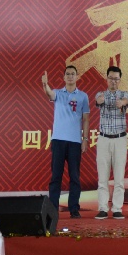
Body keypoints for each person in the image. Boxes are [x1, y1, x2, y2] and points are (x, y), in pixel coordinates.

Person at [41, 66, 90, 218]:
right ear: (64, 77)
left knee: (74, 177)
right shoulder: (58, 93)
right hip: (58, 140)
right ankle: (53, 209)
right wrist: (45, 85)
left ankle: (74, 208)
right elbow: (49, 93)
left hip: (75, 142)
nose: (70, 76)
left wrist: (85, 139)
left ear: (77, 77)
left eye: (73, 74)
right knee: (56, 176)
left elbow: (86, 119)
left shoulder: (83, 96)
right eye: (67, 74)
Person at [94, 66, 128, 220]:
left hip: (120, 139)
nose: (113, 81)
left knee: (119, 177)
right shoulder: (100, 94)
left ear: (120, 80)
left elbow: (126, 101)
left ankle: (117, 208)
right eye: (111, 78)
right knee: (102, 177)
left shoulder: (124, 94)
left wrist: (122, 102)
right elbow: (98, 101)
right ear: (107, 79)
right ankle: (103, 208)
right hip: (103, 139)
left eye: (116, 79)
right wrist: (100, 100)